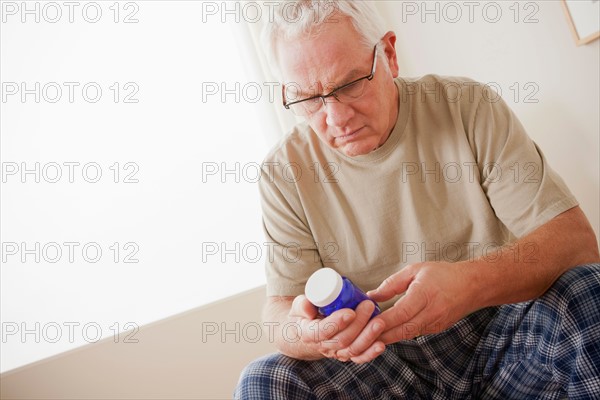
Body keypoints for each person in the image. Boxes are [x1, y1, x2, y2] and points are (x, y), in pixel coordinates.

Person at [235, 1, 600, 398]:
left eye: (350, 83)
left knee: (586, 291)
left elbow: (576, 243)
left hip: (499, 329)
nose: (336, 117)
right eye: (309, 99)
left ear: (389, 55)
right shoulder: (283, 171)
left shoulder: (467, 107)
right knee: (264, 381)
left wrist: (467, 284)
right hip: (381, 357)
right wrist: (310, 334)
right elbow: (280, 312)